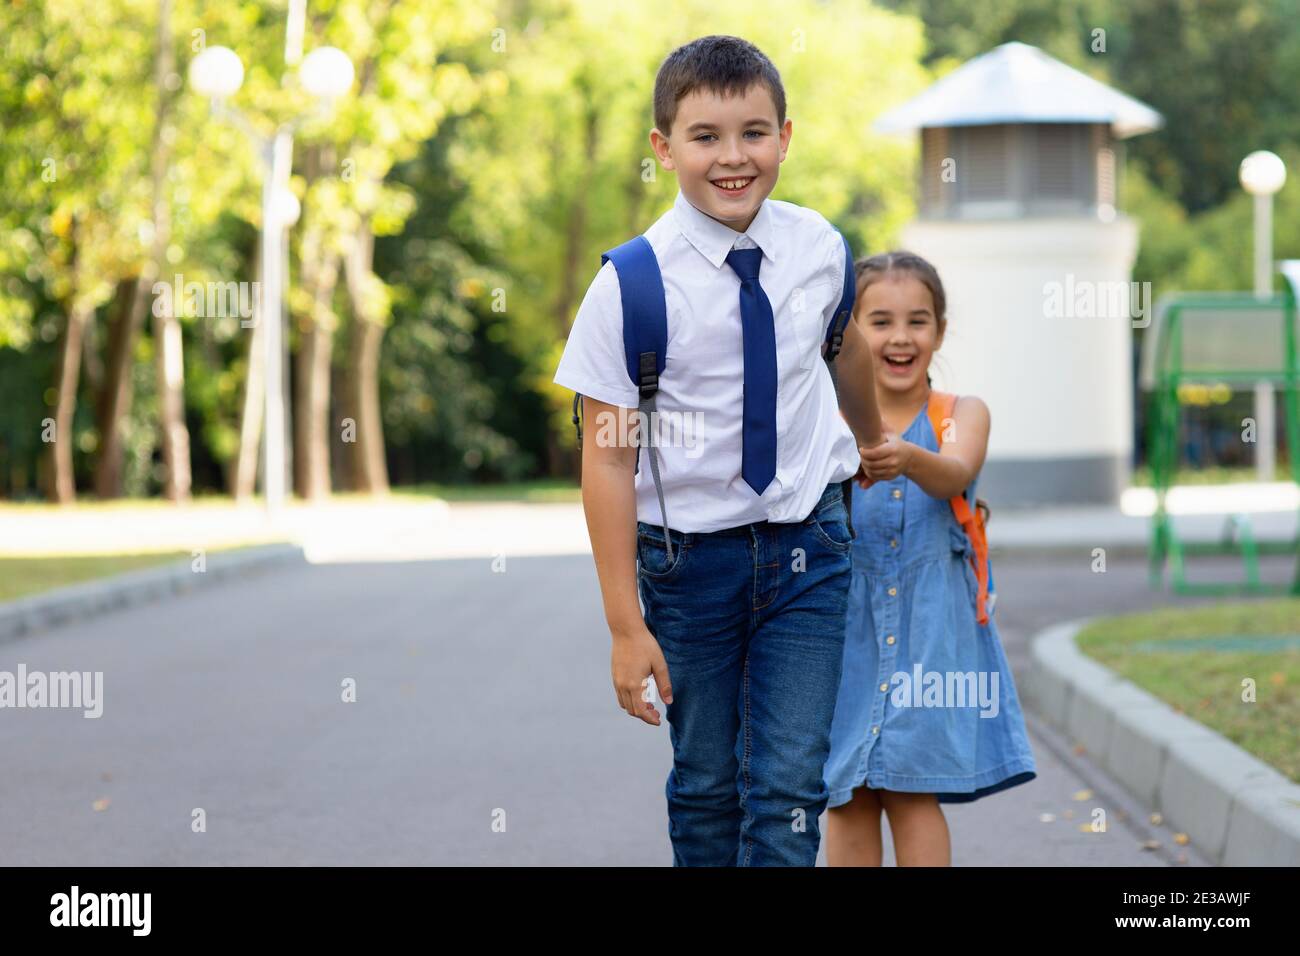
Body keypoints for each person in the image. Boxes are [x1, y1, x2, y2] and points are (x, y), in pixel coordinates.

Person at [552, 34, 882, 866]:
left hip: (811, 549)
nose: (733, 158)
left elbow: (840, 353)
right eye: (706, 137)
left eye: (754, 133)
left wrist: (873, 444)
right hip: (687, 565)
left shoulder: (821, 250)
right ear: (664, 149)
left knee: (790, 787)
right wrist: (625, 626)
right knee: (707, 784)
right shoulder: (629, 286)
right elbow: (606, 460)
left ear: (786, 136)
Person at [823, 251, 1037, 867]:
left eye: (918, 321)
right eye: (879, 320)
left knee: (912, 790)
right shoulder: (826, 419)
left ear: (940, 332)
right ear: (849, 333)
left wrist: (905, 459)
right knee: (848, 792)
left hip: (932, 638)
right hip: (844, 633)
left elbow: (955, 473)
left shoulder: (958, 415)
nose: (899, 337)